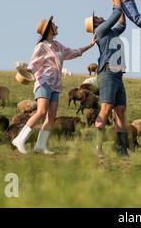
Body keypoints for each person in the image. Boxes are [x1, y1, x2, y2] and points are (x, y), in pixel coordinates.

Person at [12, 16, 97, 154]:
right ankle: (19, 139)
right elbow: (34, 63)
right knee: (41, 112)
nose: (57, 27)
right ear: (49, 30)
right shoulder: (41, 46)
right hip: (44, 82)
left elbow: (73, 52)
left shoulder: (57, 45)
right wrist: (26, 72)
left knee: (51, 116)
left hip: (56, 84)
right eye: (55, 25)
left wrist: (90, 45)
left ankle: (40, 146)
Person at [85, 0, 129, 157]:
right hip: (108, 72)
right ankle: (98, 148)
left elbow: (122, 24)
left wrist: (122, 5)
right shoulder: (101, 30)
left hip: (117, 74)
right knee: (106, 108)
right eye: (96, 18)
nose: (99, 17)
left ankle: (121, 149)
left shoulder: (110, 31)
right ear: (95, 24)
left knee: (120, 110)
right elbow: (116, 14)